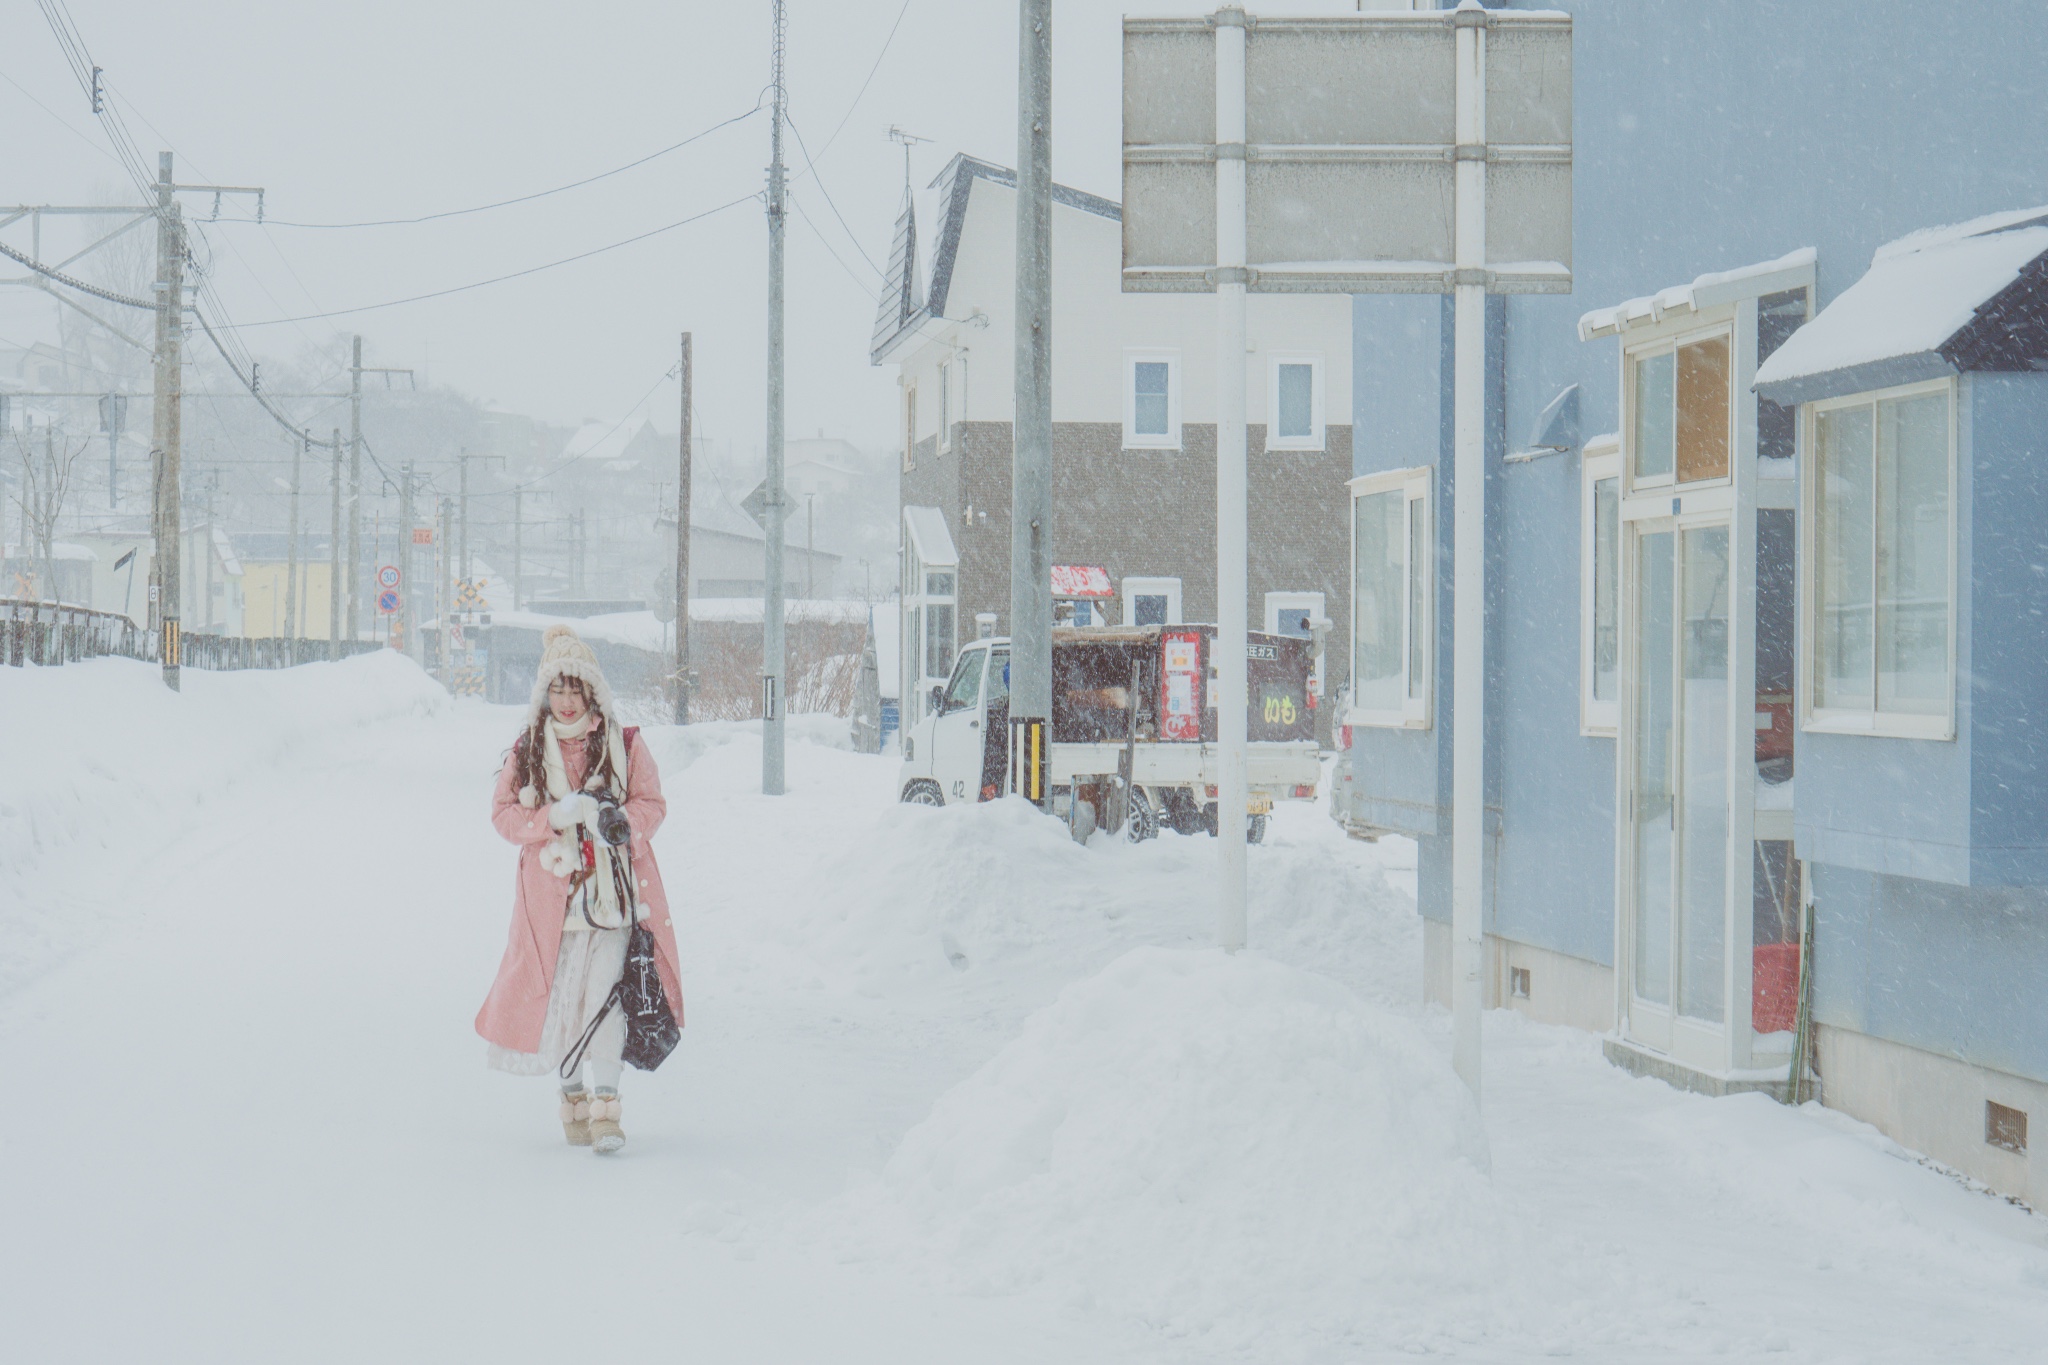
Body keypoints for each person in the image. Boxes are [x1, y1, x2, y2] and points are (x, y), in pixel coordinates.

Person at [477, 624, 682, 1154]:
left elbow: (652, 805)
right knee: (565, 1004)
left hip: (617, 900)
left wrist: (617, 823)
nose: (567, 702)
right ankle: (572, 1099)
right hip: (552, 908)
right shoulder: (526, 750)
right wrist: (552, 816)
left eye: (577, 690)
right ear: (545, 694)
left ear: (593, 693)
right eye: (558, 690)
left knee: (606, 1001)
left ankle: (607, 1110)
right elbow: (503, 815)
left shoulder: (626, 743)